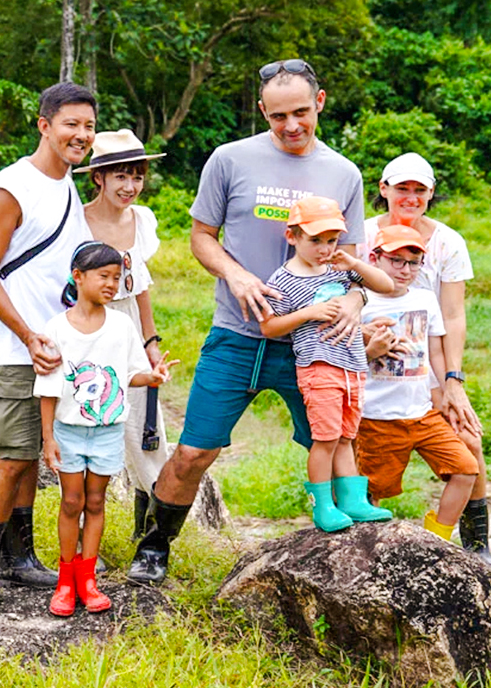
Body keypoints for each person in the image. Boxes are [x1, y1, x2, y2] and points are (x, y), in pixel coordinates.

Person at [127, 58, 369, 584]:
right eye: (278, 115)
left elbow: (353, 262)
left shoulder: (344, 173)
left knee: (335, 443)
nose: (291, 126)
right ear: (263, 111)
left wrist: (355, 302)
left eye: (301, 112)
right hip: (237, 336)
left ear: (320, 102)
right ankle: (154, 544)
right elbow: (201, 237)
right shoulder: (230, 160)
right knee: (194, 451)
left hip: (313, 343)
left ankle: (345, 546)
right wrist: (237, 277)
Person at [0, 81, 97, 611]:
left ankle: (22, 561)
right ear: (44, 125)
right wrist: (28, 335)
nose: (80, 135)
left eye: (88, 126)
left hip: (56, 348)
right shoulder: (11, 188)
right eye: (70, 124)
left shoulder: (66, 185)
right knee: (13, 458)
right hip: (16, 347)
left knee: (34, 460)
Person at [362, 152, 491, 562]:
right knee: (368, 463)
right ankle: (356, 533)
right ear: (384, 189)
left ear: (431, 193)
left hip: (429, 363)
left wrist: (452, 380)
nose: (411, 197)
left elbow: (452, 314)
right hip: (372, 368)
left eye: (420, 190)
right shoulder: (363, 236)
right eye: (402, 188)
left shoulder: (447, 242)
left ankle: (474, 541)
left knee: (469, 442)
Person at [35, 242, 177, 616]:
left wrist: (154, 376)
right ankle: (65, 580)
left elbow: (132, 374)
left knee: (96, 502)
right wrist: (48, 438)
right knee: (71, 502)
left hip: (107, 431)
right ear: (77, 277)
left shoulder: (121, 324)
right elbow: (48, 388)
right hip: (68, 431)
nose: (113, 284)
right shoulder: (56, 328)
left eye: (118, 278)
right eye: (104, 276)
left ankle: (88, 579)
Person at [257, 196, 395, 531]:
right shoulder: (282, 280)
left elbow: (386, 285)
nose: (324, 248)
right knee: (326, 438)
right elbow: (268, 326)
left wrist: (355, 264)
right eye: (315, 240)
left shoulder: (339, 270)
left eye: (331, 240)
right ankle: (323, 505)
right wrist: (309, 313)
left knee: (347, 436)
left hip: (352, 366)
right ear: (293, 237)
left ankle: (353, 502)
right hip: (319, 366)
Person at [355, 224, 481, 539]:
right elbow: (345, 357)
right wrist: (372, 350)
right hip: (377, 417)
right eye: (396, 260)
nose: (405, 269)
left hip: (423, 412)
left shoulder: (425, 298)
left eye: (413, 262)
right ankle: (363, 547)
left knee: (465, 469)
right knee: (372, 491)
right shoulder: (360, 301)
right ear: (375, 258)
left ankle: (438, 539)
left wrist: (449, 391)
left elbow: (435, 352)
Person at [78, 129, 173, 537]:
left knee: (145, 422)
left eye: (137, 176)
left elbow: (141, 287)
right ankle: (82, 533)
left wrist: (150, 343)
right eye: (120, 176)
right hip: (86, 326)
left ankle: (150, 530)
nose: (130, 186)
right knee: (88, 419)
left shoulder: (143, 220)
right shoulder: (76, 219)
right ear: (99, 177)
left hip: (129, 324)